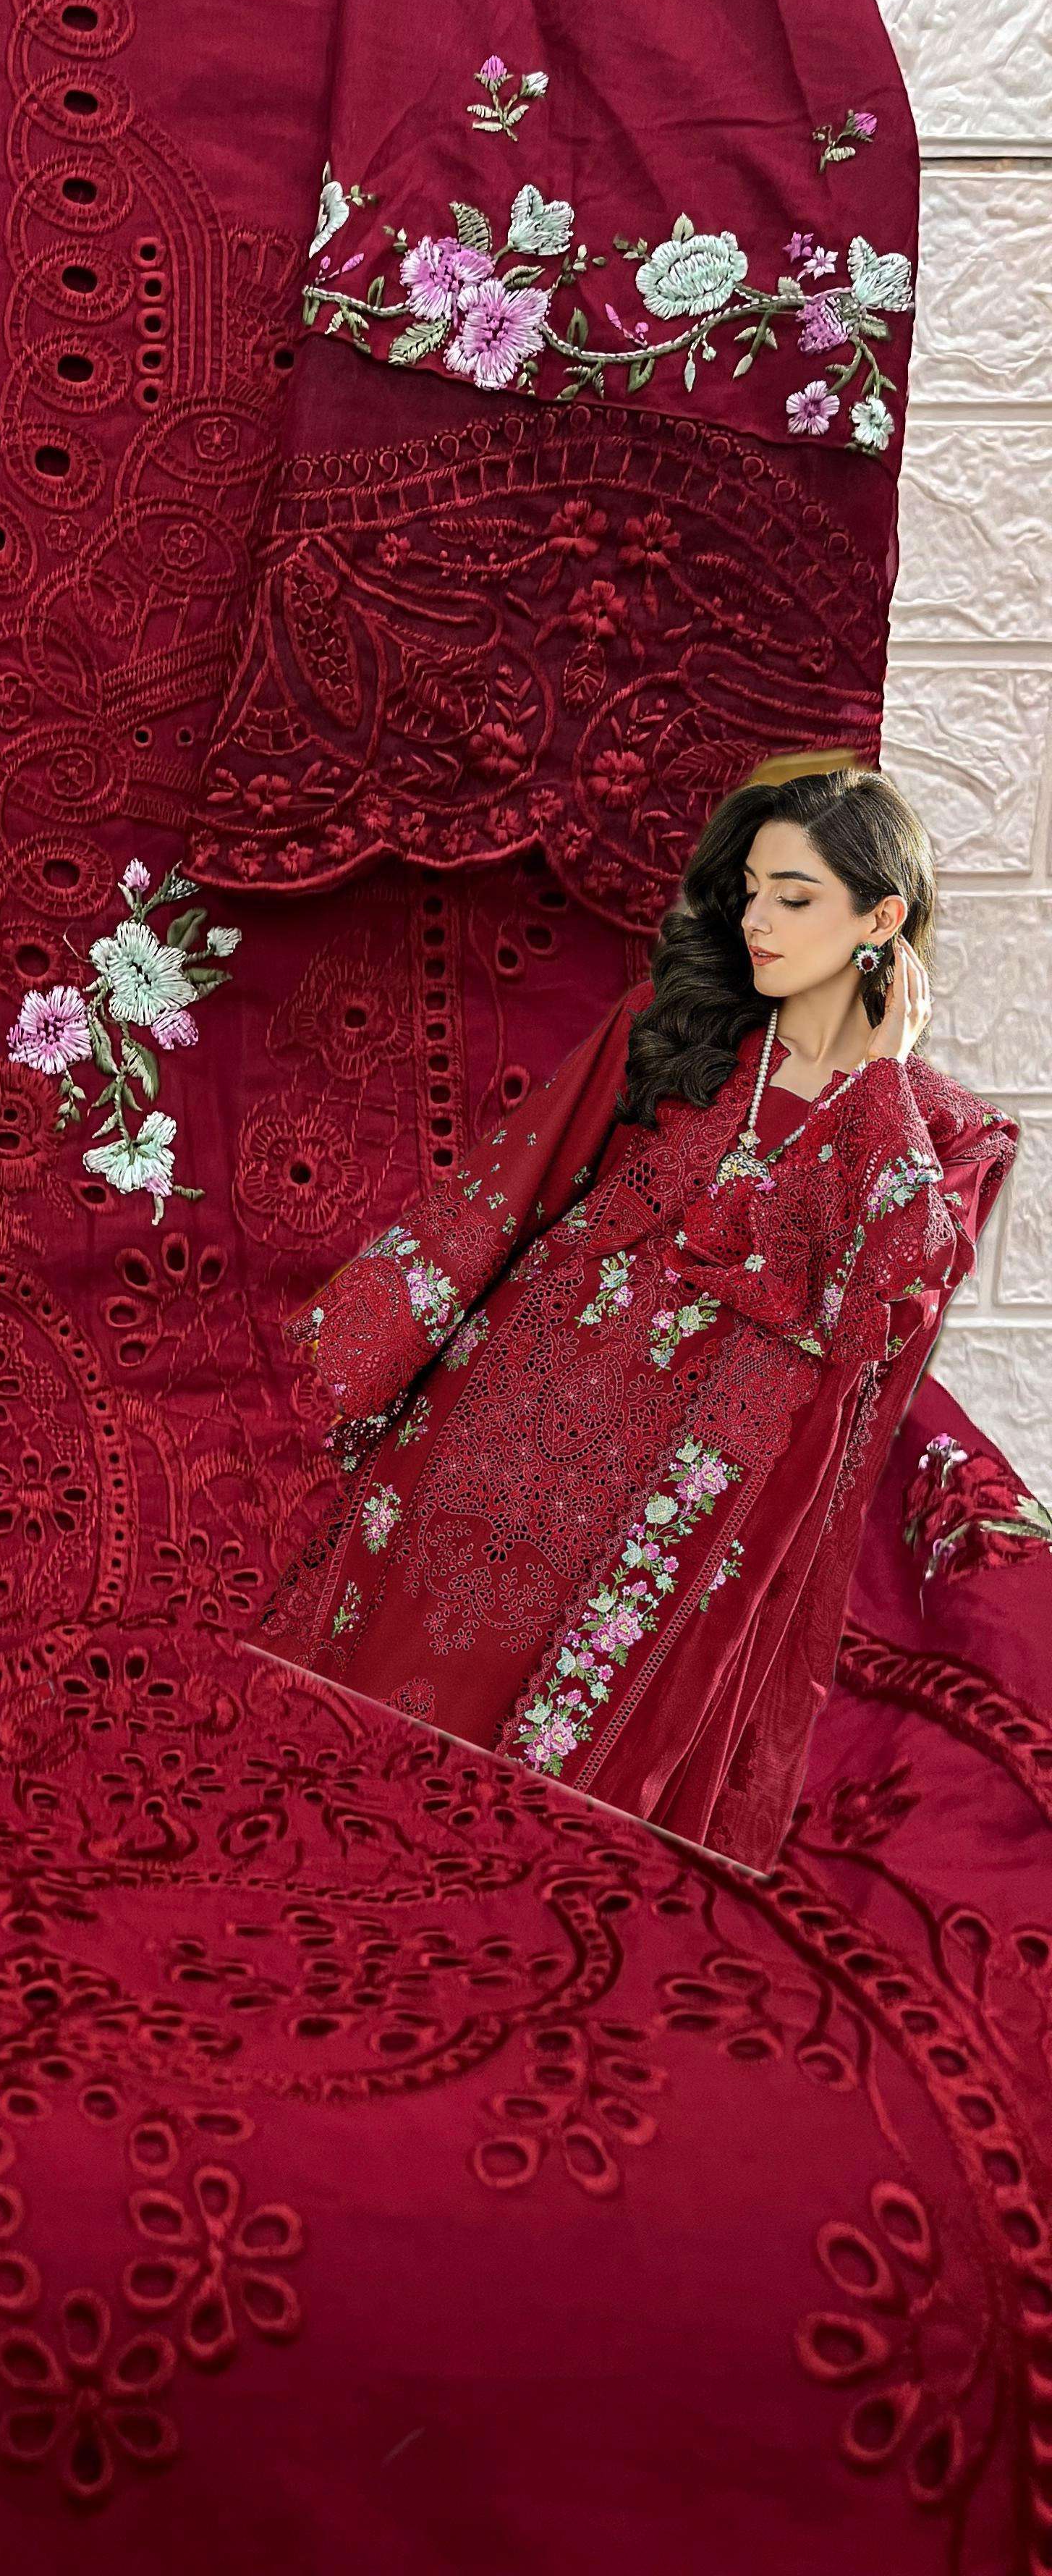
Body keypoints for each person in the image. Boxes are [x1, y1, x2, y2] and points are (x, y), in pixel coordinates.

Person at [264, 760, 1017, 1871]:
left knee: (536, 1825)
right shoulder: (671, 1032)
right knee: (363, 1761)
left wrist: (880, 1078)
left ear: (881, 919)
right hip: (501, 1439)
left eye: (794, 897)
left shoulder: (946, 1137)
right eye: (750, 891)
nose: (756, 921)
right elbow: (508, 1192)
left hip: (688, 1499)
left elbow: (882, 1306)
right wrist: (336, 1367)